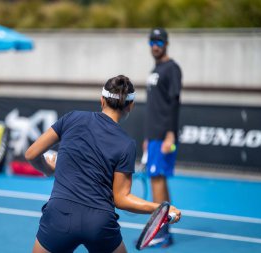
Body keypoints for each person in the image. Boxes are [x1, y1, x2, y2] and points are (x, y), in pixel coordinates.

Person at [25, 75, 181, 253]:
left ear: (102, 100)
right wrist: (161, 209)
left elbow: (32, 154)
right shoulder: (127, 144)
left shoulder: (72, 118)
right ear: (130, 106)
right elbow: (121, 199)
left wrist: (50, 169)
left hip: (59, 217)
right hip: (99, 224)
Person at [143, 28, 182, 248]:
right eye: (151, 42)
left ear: (166, 43)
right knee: (157, 180)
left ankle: (161, 230)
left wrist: (170, 135)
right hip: (154, 137)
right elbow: (154, 107)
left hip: (164, 135)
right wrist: (148, 137)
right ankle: (164, 229)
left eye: (158, 41)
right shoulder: (155, 69)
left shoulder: (172, 68)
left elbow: (174, 103)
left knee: (157, 179)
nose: (155, 45)